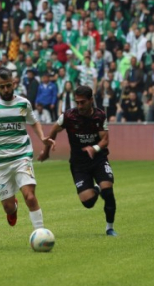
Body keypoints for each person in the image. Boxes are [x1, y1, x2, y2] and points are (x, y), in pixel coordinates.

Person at [0, 68, 54, 230]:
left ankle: (40, 233)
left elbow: (34, 122)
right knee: (8, 207)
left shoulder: (24, 103)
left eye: (8, 85)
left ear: (14, 83)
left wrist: (42, 137)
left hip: (22, 156)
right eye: (2, 87)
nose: (6, 90)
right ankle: (13, 207)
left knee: (30, 197)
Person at [38, 85, 118, 237]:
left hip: (98, 159)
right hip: (79, 164)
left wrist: (94, 148)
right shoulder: (68, 116)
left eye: (83, 102)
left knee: (108, 191)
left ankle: (110, 228)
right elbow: (53, 130)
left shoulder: (100, 115)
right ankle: (97, 189)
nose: (80, 106)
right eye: (77, 102)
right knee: (88, 202)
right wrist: (46, 152)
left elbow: (105, 140)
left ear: (91, 100)